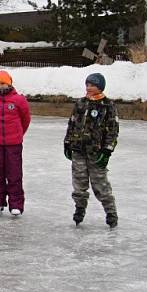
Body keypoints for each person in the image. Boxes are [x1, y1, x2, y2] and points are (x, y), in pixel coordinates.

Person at [64, 73, 119, 228]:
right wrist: (67, 143)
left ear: (100, 87)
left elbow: (113, 130)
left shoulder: (107, 105)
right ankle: (79, 209)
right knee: (79, 183)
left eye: (92, 85)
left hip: (96, 152)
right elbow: (72, 123)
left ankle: (111, 212)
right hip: (78, 150)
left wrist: (107, 150)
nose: (88, 88)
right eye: (87, 85)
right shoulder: (80, 103)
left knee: (100, 185)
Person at [0, 70, 31, 216]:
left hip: (13, 144)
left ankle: (16, 204)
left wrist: (17, 133)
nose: (0, 86)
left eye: (3, 83)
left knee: (14, 173)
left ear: (9, 83)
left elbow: (25, 119)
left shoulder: (19, 100)